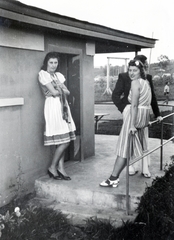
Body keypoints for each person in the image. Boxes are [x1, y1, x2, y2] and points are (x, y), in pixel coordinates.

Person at [100, 59, 159, 187]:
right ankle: (115, 176)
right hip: (143, 117)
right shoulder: (146, 82)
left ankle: (113, 178)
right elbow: (147, 102)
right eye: (130, 70)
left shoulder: (135, 83)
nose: (131, 73)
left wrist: (132, 124)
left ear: (140, 71)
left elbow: (134, 105)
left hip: (134, 117)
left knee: (123, 148)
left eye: (135, 70)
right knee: (128, 148)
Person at [112, 55, 162, 177]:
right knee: (130, 140)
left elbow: (152, 98)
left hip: (142, 113)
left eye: (142, 66)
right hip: (130, 110)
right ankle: (131, 166)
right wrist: (124, 109)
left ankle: (145, 168)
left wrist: (157, 114)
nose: (132, 72)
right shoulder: (124, 76)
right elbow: (115, 95)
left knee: (143, 140)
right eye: (131, 69)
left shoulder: (147, 78)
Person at [38, 52, 76, 180]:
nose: (53, 65)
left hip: (63, 107)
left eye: (55, 63)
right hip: (53, 107)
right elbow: (54, 93)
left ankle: (61, 168)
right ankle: (53, 167)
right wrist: (59, 89)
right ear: (46, 63)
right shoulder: (43, 75)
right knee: (64, 141)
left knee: (64, 139)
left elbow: (68, 92)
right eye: (51, 62)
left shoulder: (58, 75)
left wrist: (58, 90)